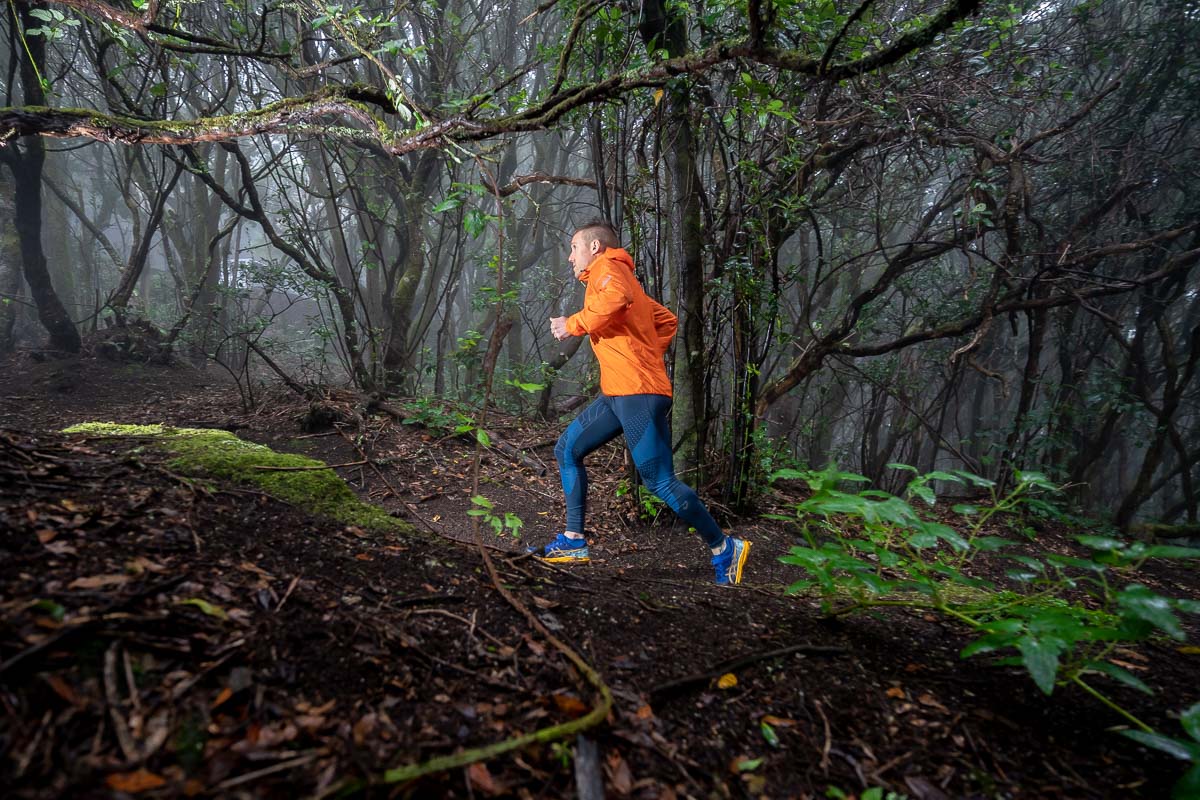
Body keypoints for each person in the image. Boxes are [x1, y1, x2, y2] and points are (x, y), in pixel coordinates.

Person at [525, 220, 751, 585]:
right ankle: (573, 541)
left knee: (659, 482)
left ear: (595, 247)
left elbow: (614, 301)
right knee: (567, 449)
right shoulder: (619, 275)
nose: (571, 256)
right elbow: (666, 320)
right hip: (621, 393)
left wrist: (575, 324)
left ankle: (724, 547)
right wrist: (642, 352)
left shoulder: (607, 270)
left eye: (574, 247)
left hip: (637, 393)